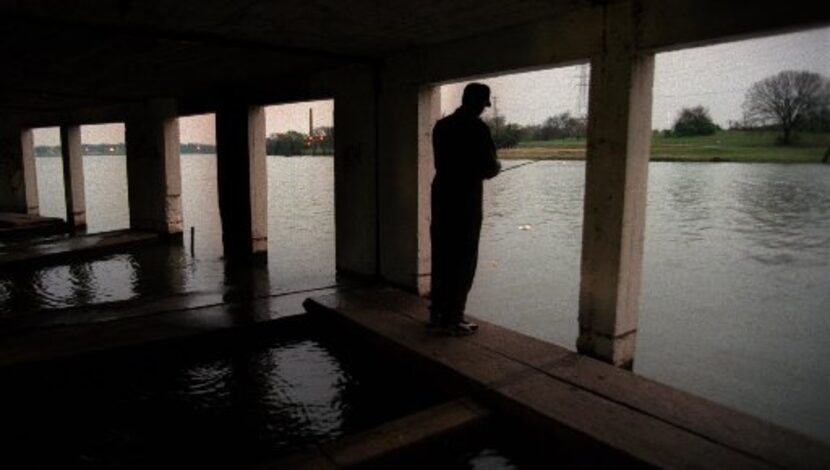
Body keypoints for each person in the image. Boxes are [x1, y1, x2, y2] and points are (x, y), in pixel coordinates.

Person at [429, 83, 501, 335]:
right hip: (466, 199)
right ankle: (454, 318)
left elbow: (441, 162)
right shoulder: (478, 128)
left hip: (441, 195)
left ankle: (437, 313)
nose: (483, 109)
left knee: (441, 254)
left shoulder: (441, 126)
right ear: (480, 103)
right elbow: (490, 168)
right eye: (484, 104)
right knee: (463, 258)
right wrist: (497, 165)